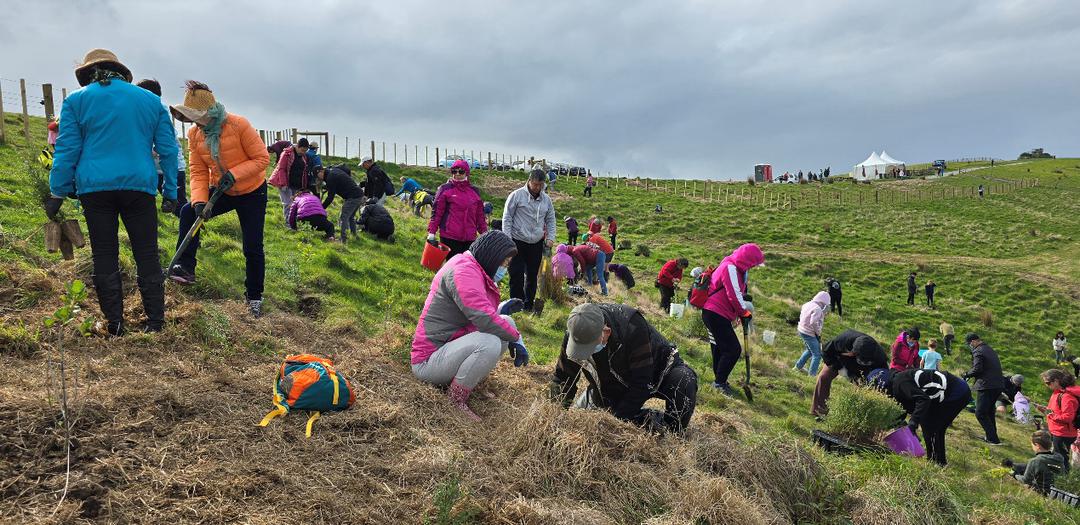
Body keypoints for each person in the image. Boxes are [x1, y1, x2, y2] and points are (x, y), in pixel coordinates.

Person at [47, 49, 178, 336]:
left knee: (104, 253)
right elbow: (168, 150)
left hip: (95, 189)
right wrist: (170, 191)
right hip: (139, 186)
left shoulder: (76, 101)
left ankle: (115, 324)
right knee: (147, 253)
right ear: (120, 71)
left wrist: (57, 190)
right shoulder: (150, 101)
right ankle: (155, 322)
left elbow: (67, 149)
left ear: (87, 74)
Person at [168, 80, 270, 318]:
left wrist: (234, 174)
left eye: (197, 117)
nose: (194, 122)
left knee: (252, 246)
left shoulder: (238, 125)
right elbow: (198, 170)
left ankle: (254, 297)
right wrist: (200, 201)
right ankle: (185, 267)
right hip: (222, 191)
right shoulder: (195, 134)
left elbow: (262, 159)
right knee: (187, 212)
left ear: (209, 112)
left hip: (252, 191)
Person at [411, 231, 525, 421]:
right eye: (503, 263)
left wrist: (499, 310)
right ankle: (455, 400)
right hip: (429, 360)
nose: (503, 269)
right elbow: (482, 317)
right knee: (489, 342)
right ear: (491, 255)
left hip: (449, 348)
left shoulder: (473, 268)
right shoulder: (463, 271)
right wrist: (516, 338)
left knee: (507, 322)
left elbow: (477, 312)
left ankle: (470, 382)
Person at [549, 303, 698, 433]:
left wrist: (616, 424)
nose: (585, 353)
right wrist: (555, 418)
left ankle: (668, 430)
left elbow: (641, 383)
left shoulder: (631, 326)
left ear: (606, 331)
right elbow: (563, 376)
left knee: (684, 381)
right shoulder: (576, 331)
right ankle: (640, 417)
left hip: (655, 371)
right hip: (614, 380)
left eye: (590, 347)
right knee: (601, 415)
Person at [872, 368, 972, 466]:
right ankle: (936, 460)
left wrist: (913, 423)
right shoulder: (896, 385)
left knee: (933, 426)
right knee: (930, 424)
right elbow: (904, 408)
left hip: (957, 391)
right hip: (948, 392)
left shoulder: (900, 383)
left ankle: (936, 462)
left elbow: (923, 400)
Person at [702, 243, 765, 396]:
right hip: (715, 313)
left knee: (719, 348)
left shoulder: (736, 268)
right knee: (733, 349)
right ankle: (719, 384)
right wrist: (743, 313)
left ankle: (719, 380)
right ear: (747, 260)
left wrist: (736, 315)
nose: (754, 267)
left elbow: (736, 294)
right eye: (753, 264)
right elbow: (734, 295)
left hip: (716, 313)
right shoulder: (730, 267)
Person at [502, 169, 556, 312]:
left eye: (541, 185)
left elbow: (550, 219)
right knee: (516, 273)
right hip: (517, 241)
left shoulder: (546, 200)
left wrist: (550, 238)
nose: (537, 187)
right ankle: (515, 304)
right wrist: (508, 240)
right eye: (535, 184)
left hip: (536, 243)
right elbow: (507, 218)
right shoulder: (516, 196)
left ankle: (528, 304)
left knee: (532, 275)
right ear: (529, 181)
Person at [135, 78, 188, 217]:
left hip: (173, 168)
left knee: (179, 207)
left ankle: (194, 234)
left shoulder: (159, 109)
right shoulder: (142, 111)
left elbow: (167, 142)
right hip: (154, 169)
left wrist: (152, 149)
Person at [811, 330, 888, 417]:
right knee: (823, 377)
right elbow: (826, 351)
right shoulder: (843, 340)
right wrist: (838, 366)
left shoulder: (879, 355)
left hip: (860, 371)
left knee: (861, 390)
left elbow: (882, 373)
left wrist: (871, 383)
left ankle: (852, 417)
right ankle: (819, 412)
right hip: (838, 360)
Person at [427, 159, 487, 257]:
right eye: (454, 171)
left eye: (461, 171)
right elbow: (437, 213)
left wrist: (484, 233)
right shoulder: (445, 189)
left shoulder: (474, 191)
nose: (457, 174)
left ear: (466, 173)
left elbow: (480, 216)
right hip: (449, 236)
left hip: (470, 237)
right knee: (452, 268)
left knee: (466, 268)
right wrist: (432, 232)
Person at [962, 333, 1006, 445]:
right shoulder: (989, 349)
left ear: (973, 341)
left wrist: (967, 374)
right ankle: (991, 436)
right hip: (998, 385)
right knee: (989, 412)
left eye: (969, 344)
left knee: (980, 412)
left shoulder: (978, 351)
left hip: (987, 385)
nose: (969, 346)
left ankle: (993, 439)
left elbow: (977, 368)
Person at [1035, 369, 1079, 474]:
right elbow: (1055, 411)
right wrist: (1045, 410)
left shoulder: (1066, 397)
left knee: (1061, 459)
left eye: (1048, 383)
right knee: (1057, 456)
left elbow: (1068, 417)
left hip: (1063, 433)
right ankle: (1057, 475)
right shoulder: (1057, 393)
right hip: (1057, 431)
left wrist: (1050, 414)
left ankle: (1063, 479)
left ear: (1056, 381)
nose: (1047, 385)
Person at [1005, 431, 1064, 495]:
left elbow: (1026, 480)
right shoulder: (1059, 457)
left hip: (1043, 492)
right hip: (1058, 492)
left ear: (1037, 445)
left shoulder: (1035, 461)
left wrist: (1014, 474)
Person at [317, 165, 365, 243]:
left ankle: (343, 240)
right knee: (351, 217)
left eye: (317, 175)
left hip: (353, 197)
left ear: (321, 171)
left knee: (344, 217)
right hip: (359, 194)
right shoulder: (333, 171)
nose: (318, 178)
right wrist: (328, 186)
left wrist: (321, 208)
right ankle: (354, 236)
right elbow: (344, 172)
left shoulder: (330, 177)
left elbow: (330, 197)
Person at [269, 137, 311, 222]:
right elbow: (281, 169)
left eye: (305, 151)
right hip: (284, 182)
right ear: (298, 146)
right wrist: (283, 184)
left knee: (295, 204)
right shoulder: (287, 153)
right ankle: (288, 224)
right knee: (288, 204)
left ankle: (293, 222)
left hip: (296, 184)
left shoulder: (303, 156)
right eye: (302, 150)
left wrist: (304, 185)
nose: (303, 152)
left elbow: (304, 171)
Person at [792, 291, 830, 376]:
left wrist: (822, 313)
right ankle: (811, 375)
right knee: (817, 355)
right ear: (823, 302)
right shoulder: (818, 309)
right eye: (825, 304)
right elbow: (813, 322)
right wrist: (818, 332)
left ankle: (797, 367)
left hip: (802, 330)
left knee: (810, 350)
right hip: (810, 333)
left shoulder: (807, 304)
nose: (825, 306)